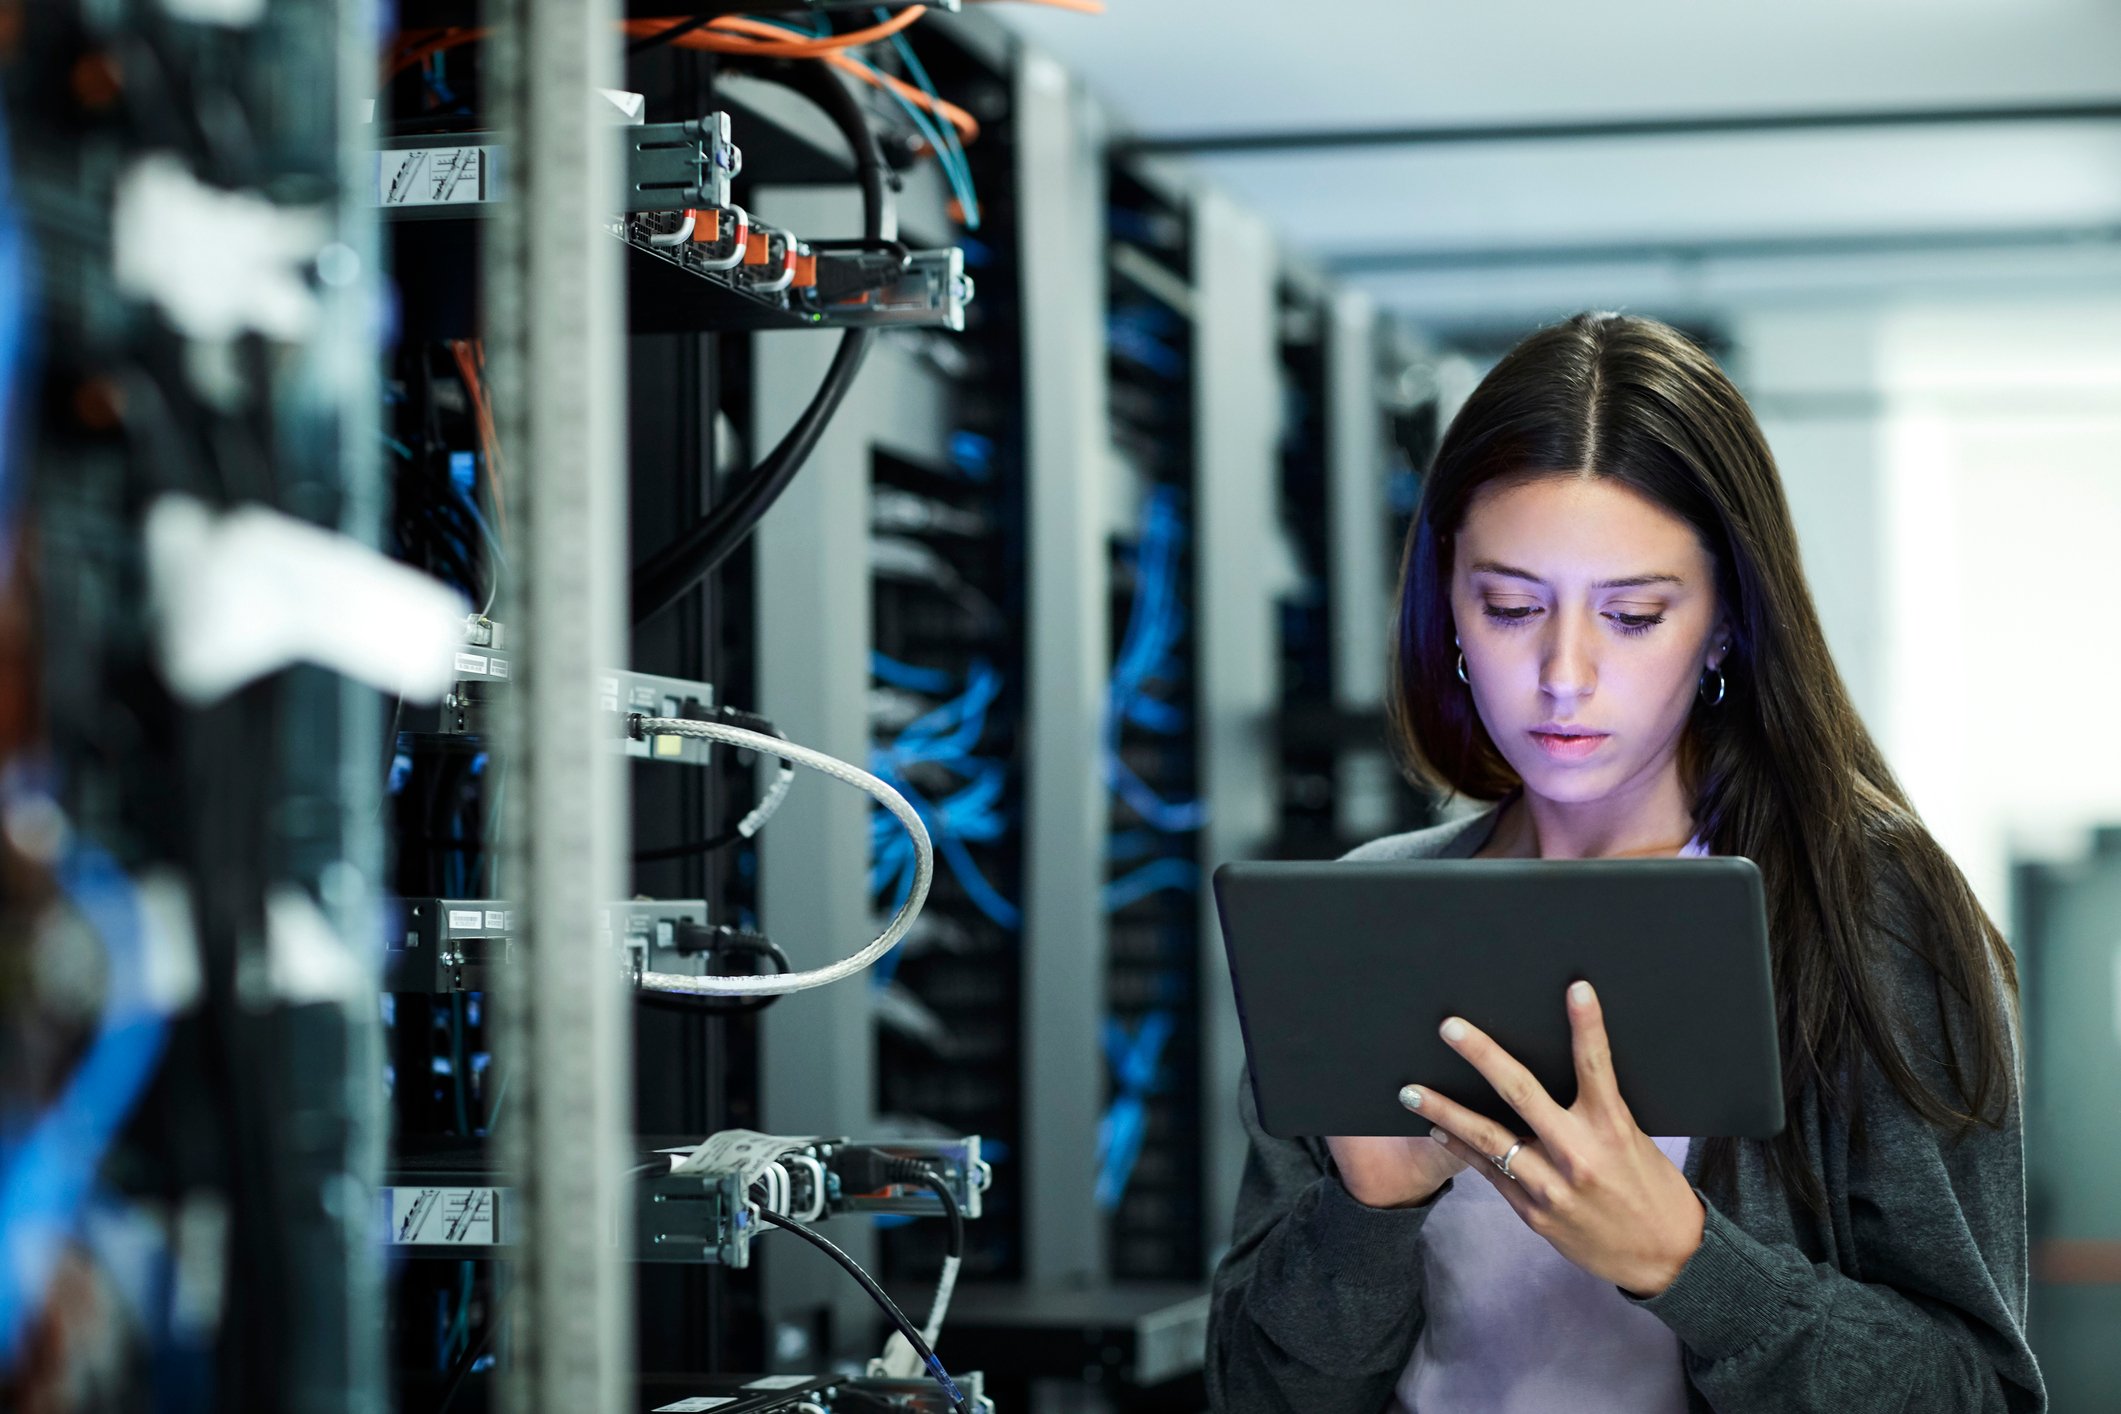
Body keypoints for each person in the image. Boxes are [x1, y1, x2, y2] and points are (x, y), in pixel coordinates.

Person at [1205, 313, 2043, 1413]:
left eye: (1634, 614)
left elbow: (1973, 1393)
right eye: (1509, 606)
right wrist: (1366, 1210)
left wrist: (1690, 1263)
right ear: (1446, 602)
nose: (1565, 674)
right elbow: (1254, 1392)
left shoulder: (1871, 915)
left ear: (1728, 624)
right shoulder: (1378, 909)